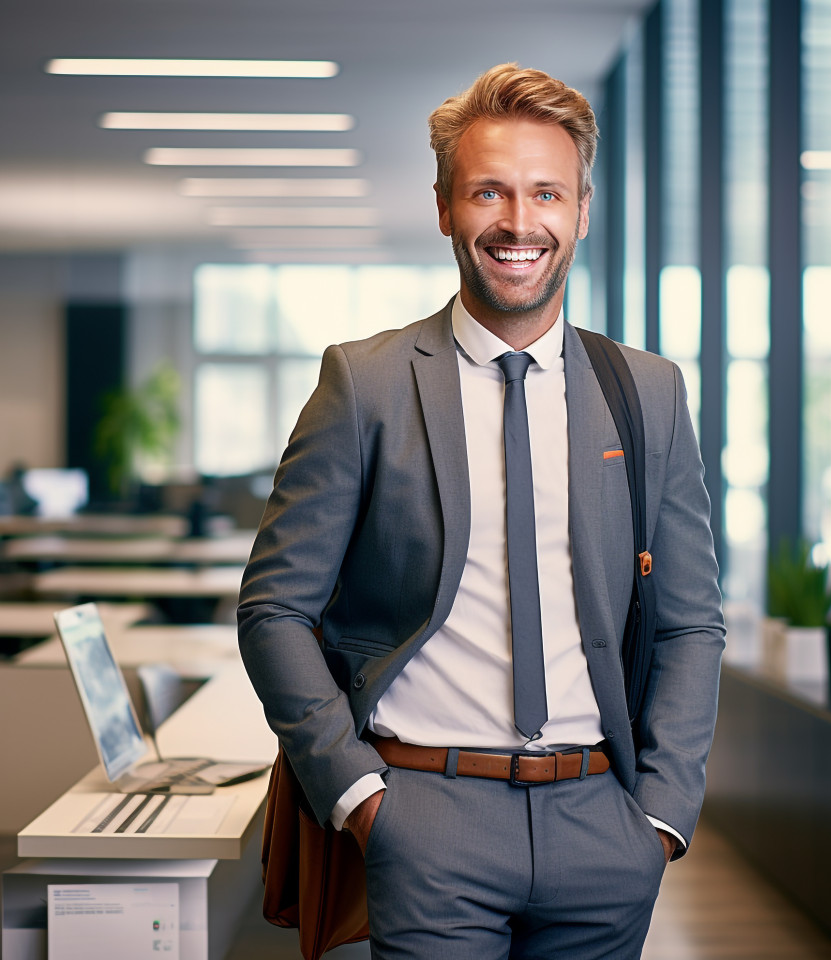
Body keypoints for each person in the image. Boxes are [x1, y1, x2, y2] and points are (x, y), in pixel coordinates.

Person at [238, 63, 725, 959]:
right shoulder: (367, 383)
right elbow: (274, 610)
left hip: (603, 820)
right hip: (426, 815)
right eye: (488, 192)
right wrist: (359, 798)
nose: (517, 222)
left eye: (546, 192)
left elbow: (692, 623)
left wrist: (662, 812)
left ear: (581, 208)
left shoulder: (646, 393)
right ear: (444, 207)